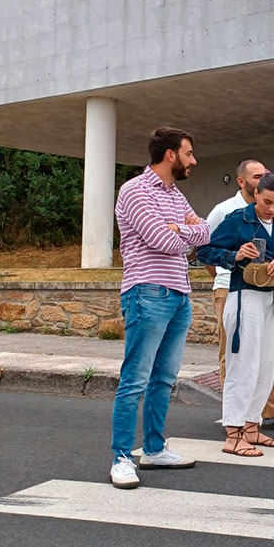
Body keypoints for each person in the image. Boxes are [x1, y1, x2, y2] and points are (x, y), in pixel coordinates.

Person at [109, 126, 210, 489]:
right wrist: (185, 231)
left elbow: (207, 232)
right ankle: (121, 457)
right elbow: (162, 241)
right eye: (188, 153)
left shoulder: (174, 194)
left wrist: (183, 229)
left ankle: (152, 448)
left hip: (180, 294)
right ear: (170, 155)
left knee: (164, 379)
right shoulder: (135, 191)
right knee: (135, 379)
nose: (193, 160)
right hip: (146, 292)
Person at [197, 173, 274, 456]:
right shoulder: (237, 219)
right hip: (243, 297)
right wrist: (235, 256)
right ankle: (233, 434)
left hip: (271, 299)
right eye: (267, 202)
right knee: (241, 365)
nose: (272, 209)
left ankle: (251, 426)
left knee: (264, 365)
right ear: (256, 194)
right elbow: (204, 251)